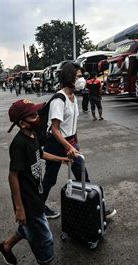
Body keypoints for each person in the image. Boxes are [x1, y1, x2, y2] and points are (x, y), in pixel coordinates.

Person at [0, 99, 69, 265]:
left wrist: (62, 159)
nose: (39, 118)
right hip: (27, 201)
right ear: (22, 123)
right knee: (44, 238)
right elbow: (12, 176)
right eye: (34, 115)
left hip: (36, 193)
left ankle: (6, 247)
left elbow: (41, 154)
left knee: (27, 228)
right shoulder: (18, 144)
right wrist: (19, 208)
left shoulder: (34, 136)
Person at [41, 62, 116, 219]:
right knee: (50, 179)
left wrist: (75, 145)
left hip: (70, 141)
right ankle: (38, 208)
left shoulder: (74, 97)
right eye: (79, 76)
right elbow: (55, 129)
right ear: (69, 78)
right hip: (56, 143)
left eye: (82, 76)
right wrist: (69, 146)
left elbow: (72, 127)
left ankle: (98, 211)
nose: (83, 79)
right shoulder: (59, 99)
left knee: (83, 176)